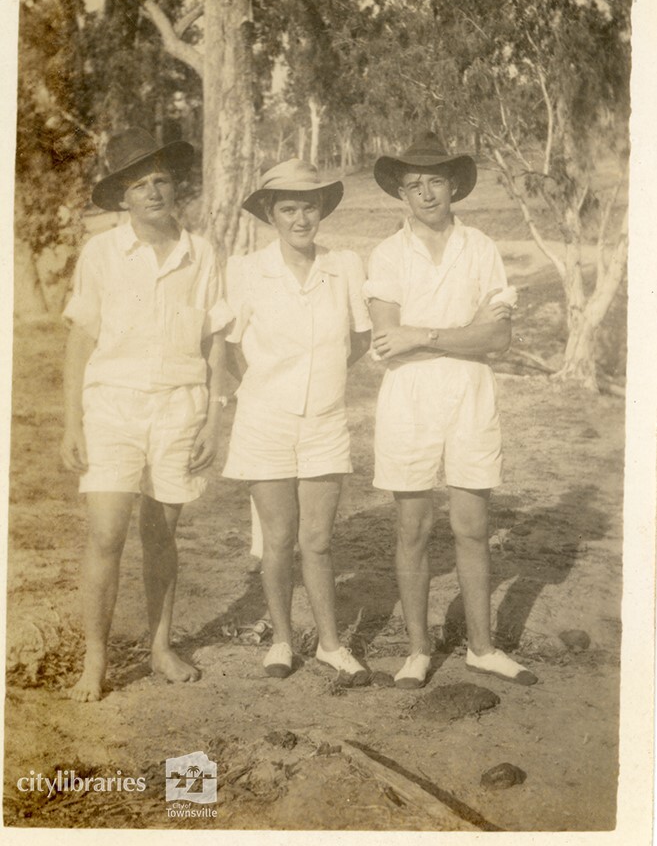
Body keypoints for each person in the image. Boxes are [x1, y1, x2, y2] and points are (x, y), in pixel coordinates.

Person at [60, 127, 232, 702]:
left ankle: (161, 647)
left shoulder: (202, 252)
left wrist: (212, 418)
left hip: (180, 408)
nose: (154, 192)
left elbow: (215, 342)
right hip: (112, 406)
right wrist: (70, 424)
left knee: (161, 536)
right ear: (123, 198)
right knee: (106, 532)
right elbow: (79, 343)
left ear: (174, 187)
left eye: (161, 180)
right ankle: (96, 660)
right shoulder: (101, 253)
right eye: (140, 185)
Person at [364, 131, 538, 690]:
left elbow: (499, 340)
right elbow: (388, 339)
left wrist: (427, 333)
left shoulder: (480, 246)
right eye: (413, 184)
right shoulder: (388, 254)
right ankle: (417, 649)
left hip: (469, 393)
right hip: (408, 400)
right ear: (401, 192)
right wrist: (454, 335)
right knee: (412, 528)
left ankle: (482, 649)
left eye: (435, 180)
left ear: (453, 185)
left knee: (472, 526)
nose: (425, 193)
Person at [223, 158, 371, 680]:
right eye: (289, 208)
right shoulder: (246, 270)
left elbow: (359, 338)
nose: (300, 218)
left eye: (309, 206)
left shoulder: (345, 265)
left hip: (325, 420)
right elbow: (230, 344)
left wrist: (321, 377)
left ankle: (330, 643)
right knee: (279, 537)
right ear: (271, 213)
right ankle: (282, 641)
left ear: (321, 210)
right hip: (264, 420)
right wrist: (264, 384)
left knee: (319, 540)